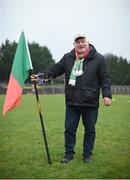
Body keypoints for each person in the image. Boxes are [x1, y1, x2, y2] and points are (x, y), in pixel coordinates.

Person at [31, 34, 112, 164]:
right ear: (74, 44)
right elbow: (54, 70)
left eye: (83, 41)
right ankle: (68, 154)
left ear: (87, 42)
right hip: (72, 101)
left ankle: (87, 155)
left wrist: (107, 95)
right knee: (69, 129)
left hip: (90, 102)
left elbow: (105, 78)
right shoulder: (68, 57)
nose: (80, 44)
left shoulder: (98, 59)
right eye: (77, 42)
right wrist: (40, 77)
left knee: (90, 130)